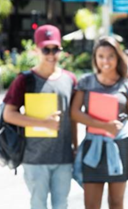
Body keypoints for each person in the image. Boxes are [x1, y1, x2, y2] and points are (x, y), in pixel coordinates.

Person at [2, 24, 77, 209]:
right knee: (38, 204)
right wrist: (44, 123)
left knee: (62, 204)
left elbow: (72, 117)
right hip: (34, 157)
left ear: (61, 50)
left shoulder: (70, 79)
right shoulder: (25, 80)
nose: (51, 54)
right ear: (37, 49)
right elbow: (8, 114)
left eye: (55, 49)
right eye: (46, 49)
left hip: (63, 157)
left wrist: (75, 146)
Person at [71, 36, 128, 209]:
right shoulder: (86, 81)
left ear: (117, 57)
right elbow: (74, 113)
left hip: (120, 147)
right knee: (91, 204)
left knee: (117, 202)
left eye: (110, 56)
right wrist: (104, 126)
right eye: (101, 56)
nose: (105, 61)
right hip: (93, 146)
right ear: (95, 58)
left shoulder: (127, 84)